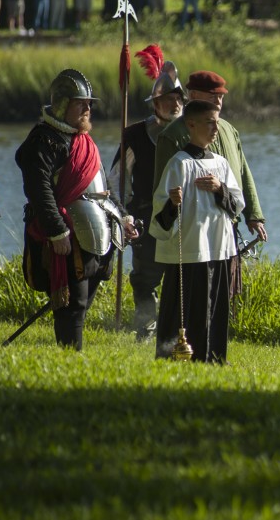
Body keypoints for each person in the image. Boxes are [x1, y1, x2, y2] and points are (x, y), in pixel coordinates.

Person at [15, 68, 138, 350]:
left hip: (94, 233)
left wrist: (123, 217)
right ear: (62, 104)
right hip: (65, 237)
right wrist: (56, 231)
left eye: (89, 104)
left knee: (82, 303)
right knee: (72, 303)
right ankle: (70, 357)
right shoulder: (43, 140)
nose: (88, 109)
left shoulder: (84, 141)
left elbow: (102, 188)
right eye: (81, 103)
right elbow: (38, 190)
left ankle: (72, 354)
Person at [154, 70, 267, 299]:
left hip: (225, 221)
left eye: (221, 97)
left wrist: (253, 215)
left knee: (223, 293)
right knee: (192, 295)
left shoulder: (228, 129)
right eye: (212, 96)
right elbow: (163, 188)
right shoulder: (174, 134)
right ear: (193, 95)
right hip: (192, 231)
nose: (218, 101)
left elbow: (243, 172)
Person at [151, 99, 243, 363]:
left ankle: (213, 358)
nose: (216, 129)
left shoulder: (221, 164)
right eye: (209, 123)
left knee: (215, 307)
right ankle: (175, 357)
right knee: (185, 309)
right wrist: (172, 203)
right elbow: (160, 215)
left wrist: (219, 188)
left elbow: (237, 205)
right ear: (191, 124)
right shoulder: (179, 164)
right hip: (190, 249)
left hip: (218, 247)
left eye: (217, 122)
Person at [108, 45, 184, 341]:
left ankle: (178, 335)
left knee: (181, 281)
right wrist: (123, 215)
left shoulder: (194, 131)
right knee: (145, 280)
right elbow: (117, 181)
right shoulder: (136, 135)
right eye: (168, 99)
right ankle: (147, 331)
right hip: (146, 218)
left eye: (178, 98)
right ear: (155, 103)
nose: (174, 104)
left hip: (185, 219)